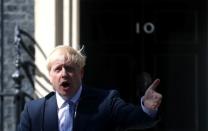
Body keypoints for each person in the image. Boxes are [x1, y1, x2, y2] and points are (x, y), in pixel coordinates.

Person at [17, 45, 162, 131]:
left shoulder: (106, 102)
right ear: (50, 76)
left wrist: (147, 109)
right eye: (58, 69)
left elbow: (134, 118)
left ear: (81, 73)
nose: (64, 74)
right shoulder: (33, 110)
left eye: (69, 68)